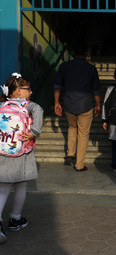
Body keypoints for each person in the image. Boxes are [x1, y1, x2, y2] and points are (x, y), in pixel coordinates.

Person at [0, 73, 43, 244]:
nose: (30, 92)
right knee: (21, 185)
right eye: (28, 89)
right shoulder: (29, 106)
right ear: (18, 91)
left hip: (3, 151)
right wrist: (34, 132)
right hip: (22, 153)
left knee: (3, 189)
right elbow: (38, 110)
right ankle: (15, 219)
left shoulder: (2, 105)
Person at [54, 43, 100, 171]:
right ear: (86, 54)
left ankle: (70, 152)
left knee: (72, 127)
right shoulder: (91, 68)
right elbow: (96, 90)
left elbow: (57, 86)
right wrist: (97, 104)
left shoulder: (64, 66)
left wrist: (57, 103)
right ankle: (79, 164)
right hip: (85, 105)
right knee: (83, 134)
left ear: (72, 52)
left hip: (69, 104)